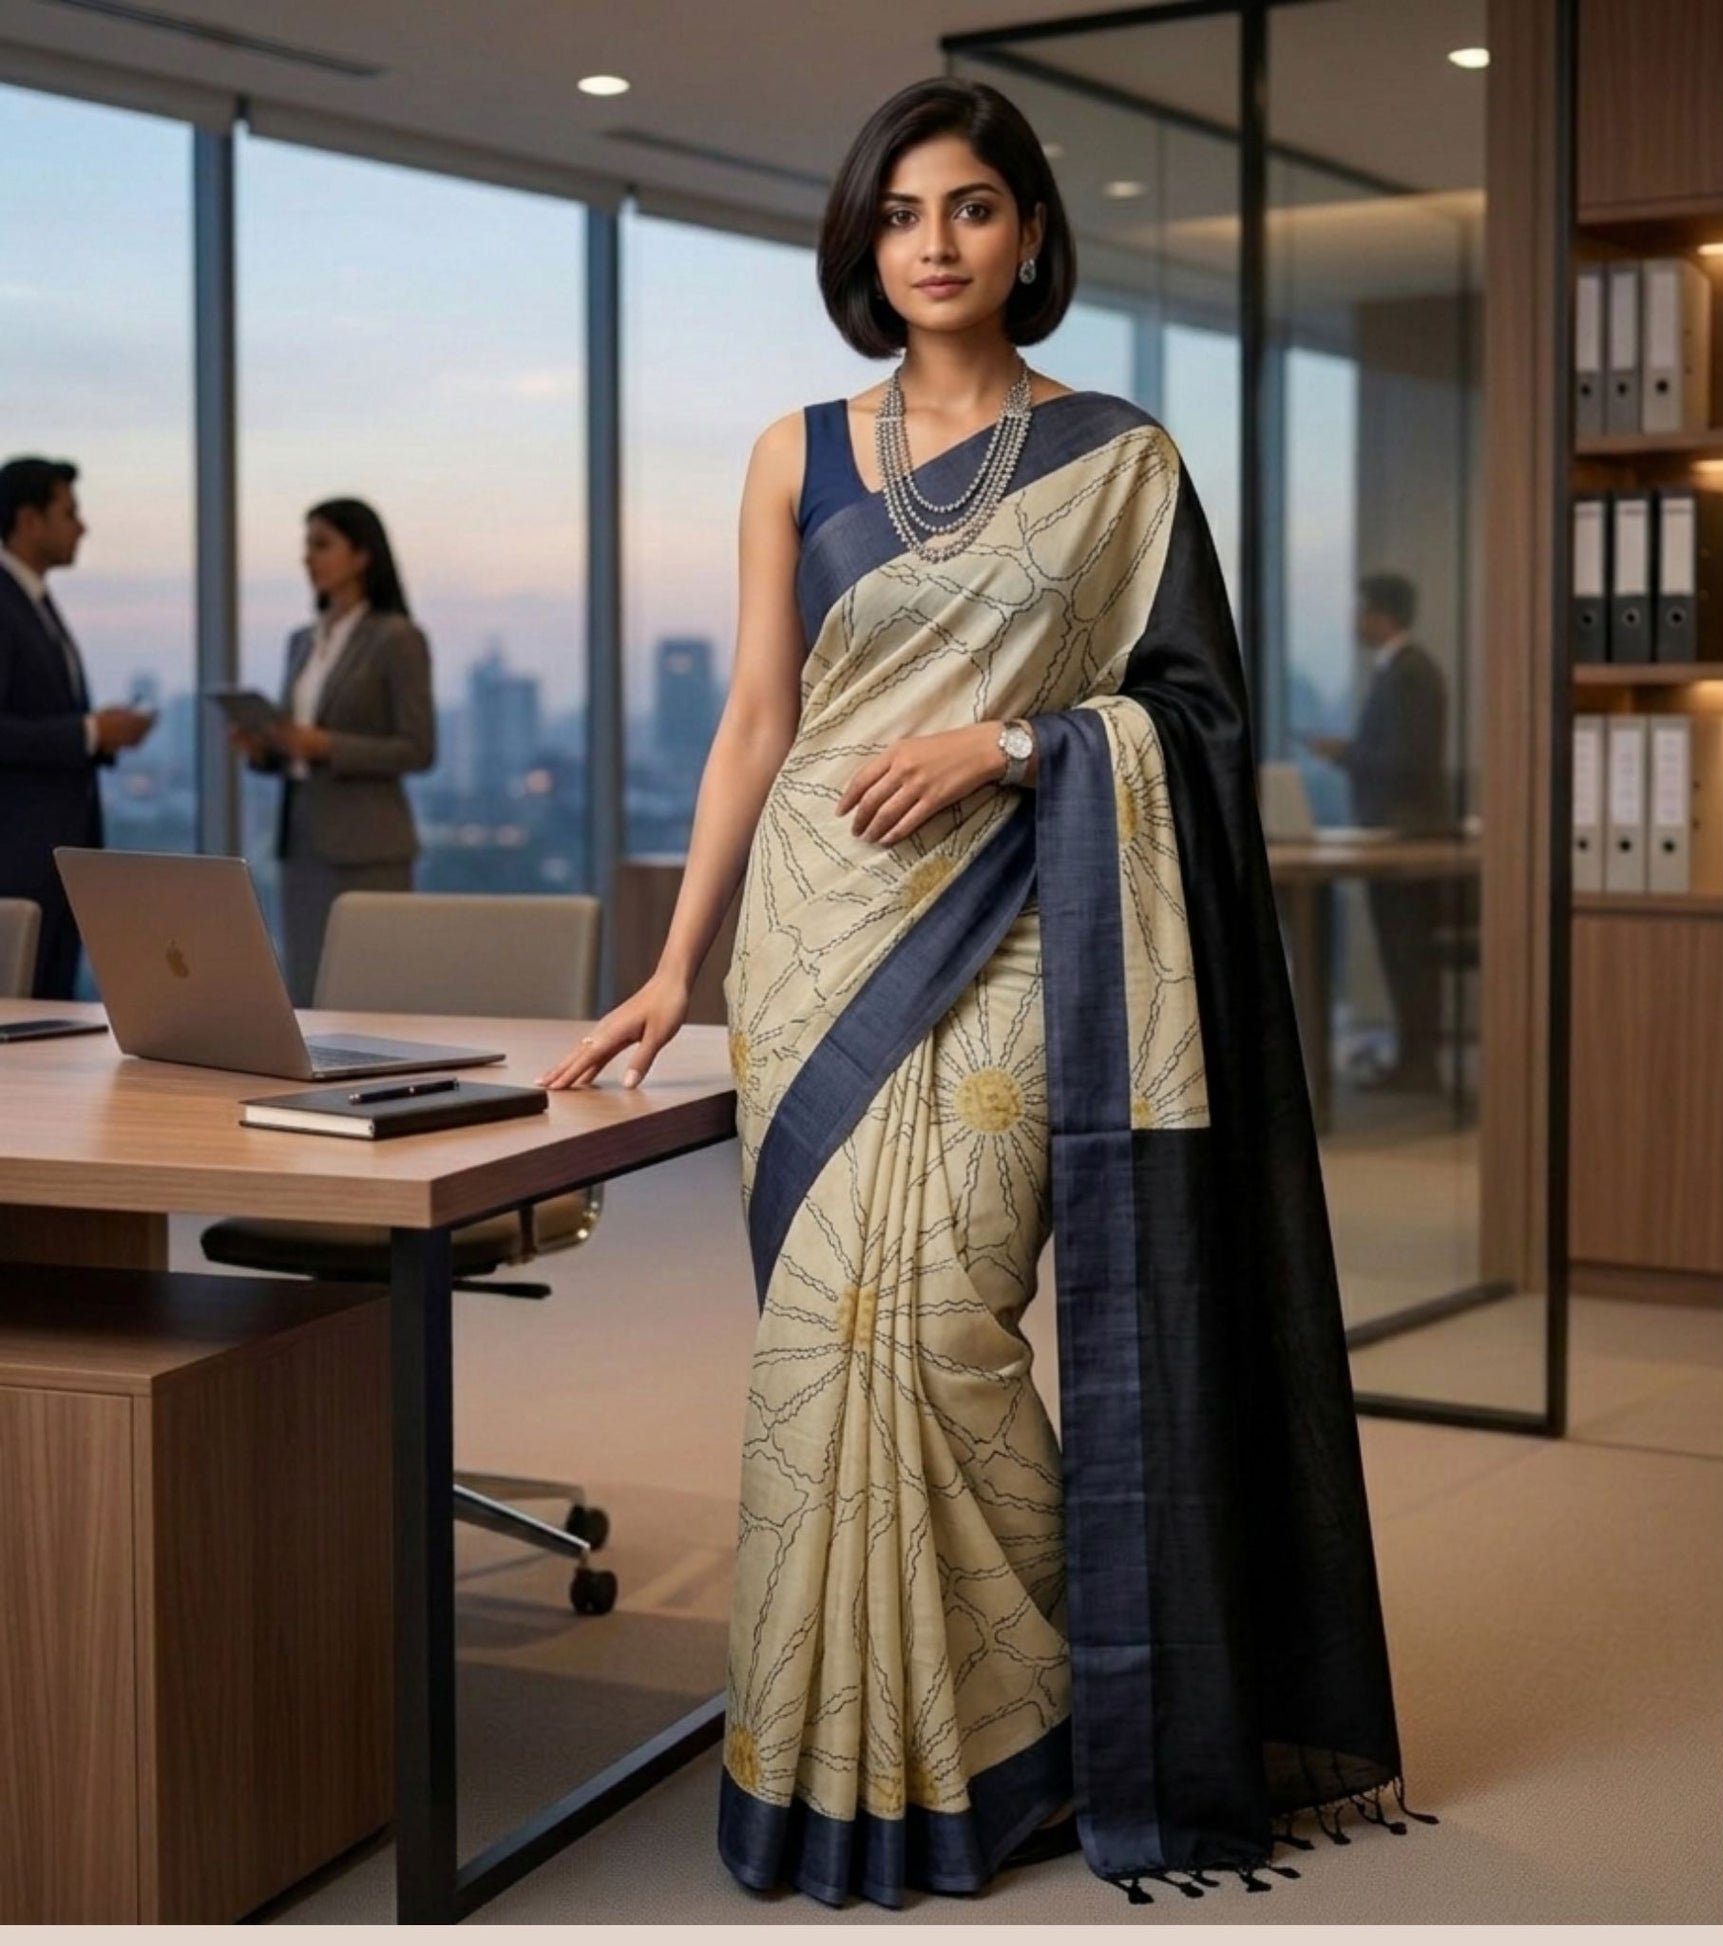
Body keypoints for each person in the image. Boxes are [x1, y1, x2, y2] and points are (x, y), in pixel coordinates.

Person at [540, 77, 1429, 1910]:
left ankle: (1082, 1715)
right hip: (813, 937)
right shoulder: (797, 450)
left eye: (967, 209)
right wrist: (671, 965)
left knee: (935, 1328)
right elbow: (759, 727)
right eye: (899, 215)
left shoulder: (1118, 460)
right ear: (863, 245)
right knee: (820, 1347)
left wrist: (1015, 743)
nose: (932, 244)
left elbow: (1195, 721)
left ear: (1029, 232)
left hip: (1029, 922)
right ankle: (858, 1769)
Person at [233, 498, 434, 1006]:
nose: (308, 559)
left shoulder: (397, 638)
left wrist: (327, 745)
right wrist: (265, 749)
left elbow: (418, 748)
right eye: (306, 546)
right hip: (301, 843)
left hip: (368, 849)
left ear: (362, 555)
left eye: (321, 545)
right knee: (308, 990)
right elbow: (295, 742)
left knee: (372, 994)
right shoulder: (302, 641)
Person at [0, 456, 155, 998]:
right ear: (29, 521)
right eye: (70, 511)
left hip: (55, 857)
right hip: (17, 861)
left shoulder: (35, 602)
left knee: (48, 1014)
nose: (82, 526)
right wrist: (89, 733)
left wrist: (99, 734)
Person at [1305, 573, 1452, 1093]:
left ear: (1381, 616)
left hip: (1407, 836)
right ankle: (1414, 1061)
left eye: (1360, 610)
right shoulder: (1402, 671)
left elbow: (1408, 760)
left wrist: (1344, 753)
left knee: (1408, 953)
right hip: (1396, 832)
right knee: (1400, 953)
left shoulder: (1410, 674)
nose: (1354, 621)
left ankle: (1419, 1064)